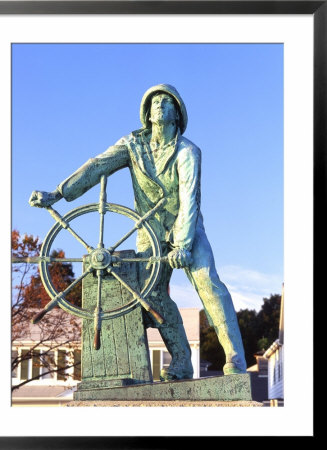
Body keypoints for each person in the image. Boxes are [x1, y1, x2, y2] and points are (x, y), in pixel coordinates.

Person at [29, 84, 247, 379]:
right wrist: (58, 194)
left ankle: (234, 358)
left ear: (177, 113)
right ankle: (182, 361)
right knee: (152, 294)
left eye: (166, 101)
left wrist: (182, 244)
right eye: (154, 102)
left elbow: (189, 198)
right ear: (147, 113)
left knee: (208, 283)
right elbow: (97, 166)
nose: (159, 105)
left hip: (187, 226)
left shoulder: (187, 151)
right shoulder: (133, 144)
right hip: (149, 229)